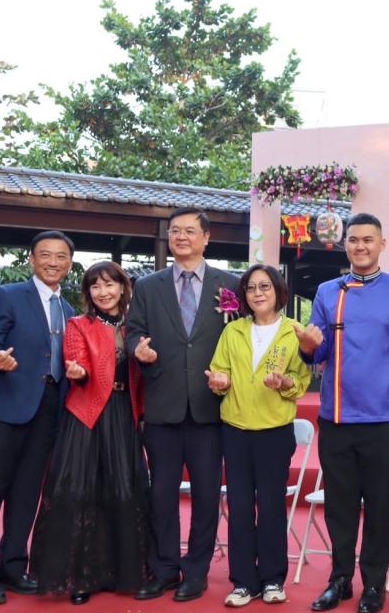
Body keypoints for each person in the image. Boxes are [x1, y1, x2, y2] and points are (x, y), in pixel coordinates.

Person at [295, 212, 389, 613]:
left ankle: (373, 584)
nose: (360, 246)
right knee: (340, 506)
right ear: (344, 244)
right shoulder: (328, 291)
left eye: (368, 239)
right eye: (353, 240)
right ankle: (340, 580)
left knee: (379, 506)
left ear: (382, 244)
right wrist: (307, 346)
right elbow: (316, 351)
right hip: (336, 416)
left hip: (384, 416)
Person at [126, 207, 240, 602]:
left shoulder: (231, 284)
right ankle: (163, 569)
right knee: (161, 494)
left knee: (207, 495)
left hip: (211, 408)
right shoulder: (148, 286)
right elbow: (134, 331)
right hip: (163, 406)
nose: (181, 237)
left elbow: (242, 337)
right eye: (175, 231)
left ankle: (196, 571)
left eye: (190, 231)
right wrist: (138, 350)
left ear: (206, 238)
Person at [0, 231, 76, 606]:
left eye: (60, 256)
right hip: (5, 406)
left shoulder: (69, 310)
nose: (52, 262)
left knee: (27, 493)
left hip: (48, 409)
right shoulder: (8, 295)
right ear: (32, 259)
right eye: (45, 255)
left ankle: (13, 566)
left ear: (69, 263)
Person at [29, 261, 150, 605]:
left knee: (123, 492)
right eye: (95, 286)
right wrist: (77, 371)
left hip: (124, 413)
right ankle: (80, 577)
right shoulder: (78, 324)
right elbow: (76, 360)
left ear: (123, 288)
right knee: (80, 494)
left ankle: (122, 572)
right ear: (88, 292)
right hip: (87, 414)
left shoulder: (136, 327)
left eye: (109, 284)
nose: (103, 292)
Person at [207, 264, 311, 607]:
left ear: (279, 291)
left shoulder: (294, 332)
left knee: (270, 507)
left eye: (265, 286)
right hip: (235, 429)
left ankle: (272, 579)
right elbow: (219, 372)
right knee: (238, 507)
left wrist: (285, 383)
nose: (257, 293)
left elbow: (301, 381)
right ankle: (242, 582)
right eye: (251, 288)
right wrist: (219, 381)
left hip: (274, 431)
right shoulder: (233, 330)